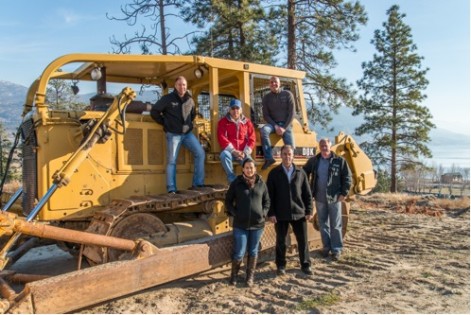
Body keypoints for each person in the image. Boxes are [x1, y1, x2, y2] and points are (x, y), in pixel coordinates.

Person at [150, 76, 205, 194]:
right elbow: (154, 111)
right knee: (172, 161)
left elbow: (193, 114)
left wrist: (188, 125)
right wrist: (165, 123)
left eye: (184, 85)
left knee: (200, 153)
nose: (182, 87)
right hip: (173, 134)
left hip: (187, 134)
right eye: (180, 84)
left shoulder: (190, 100)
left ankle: (198, 184)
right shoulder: (168, 99)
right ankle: (171, 189)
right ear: (175, 86)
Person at [266, 144, 313, 275]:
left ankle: (305, 264)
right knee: (281, 241)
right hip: (280, 214)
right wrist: (271, 213)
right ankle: (281, 265)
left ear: (293, 156)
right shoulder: (274, 173)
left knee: (303, 240)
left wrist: (309, 210)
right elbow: (269, 196)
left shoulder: (300, 172)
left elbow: (307, 194)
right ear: (280, 155)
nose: (287, 156)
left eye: (289, 154)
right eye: (285, 154)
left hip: (299, 212)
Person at [303, 138, 352, 261]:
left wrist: (344, 193)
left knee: (335, 224)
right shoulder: (315, 160)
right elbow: (304, 172)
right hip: (319, 198)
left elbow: (347, 177)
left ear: (330, 146)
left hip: (334, 198)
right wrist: (308, 189)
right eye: (322, 145)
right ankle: (326, 247)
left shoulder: (339, 161)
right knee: (323, 224)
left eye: (326, 145)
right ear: (319, 147)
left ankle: (336, 249)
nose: (324, 147)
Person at [225, 158, 270, 287]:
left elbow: (267, 201)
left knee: (253, 251)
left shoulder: (261, 183)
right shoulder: (236, 183)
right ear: (243, 169)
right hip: (241, 225)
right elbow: (228, 201)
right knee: (239, 252)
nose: (249, 170)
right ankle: (234, 276)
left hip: (257, 225)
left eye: (251, 167)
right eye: (247, 168)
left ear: (255, 169)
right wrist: (235, 213)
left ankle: (249, 278)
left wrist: (263, 213)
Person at [260, 76, 296, 170]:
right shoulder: (266, 98)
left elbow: (292, 113)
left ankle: (292, 166)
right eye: (271, 82)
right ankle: (269, 158)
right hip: (273, 125)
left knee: (291, 147)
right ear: (269, 84)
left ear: (280, 83)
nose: (273, 84)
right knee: (264, 130)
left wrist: (284, 127)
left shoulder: (288, 94)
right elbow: (266, 115)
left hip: (286, 124)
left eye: (275, 82)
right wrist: (275, 126)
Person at [217, 99, 256, 183]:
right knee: (224, 155)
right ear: (229, 110)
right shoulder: (223, 122)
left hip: (243, 153)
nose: (235, 111)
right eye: (233, 108)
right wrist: (234, 151)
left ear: (241, 110)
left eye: (237, 108)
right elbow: (222, 138)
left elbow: (252, 138)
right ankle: (233, 180)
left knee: (250, 163)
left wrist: (245, 153)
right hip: (230, 152)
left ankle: (250, 182)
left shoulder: (247, 122)